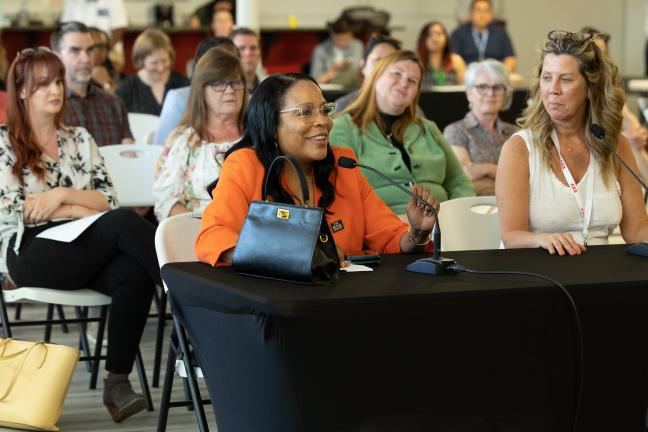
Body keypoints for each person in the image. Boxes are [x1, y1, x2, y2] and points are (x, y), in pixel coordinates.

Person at [0, 47, 160, 421]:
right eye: (43, 84)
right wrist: (81, 207)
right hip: (30, 249)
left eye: (57, 81)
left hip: (87, 243)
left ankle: (117, 382)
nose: (55, 90)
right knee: (122, 224)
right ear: (21, 91)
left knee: (133, 272)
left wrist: (62, 198)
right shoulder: (3, 142)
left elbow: (108, 198)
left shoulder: (79, 139)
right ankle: (190, 297)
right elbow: (12, 209)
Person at [195, 73, 440, 266]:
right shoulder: (245, 165)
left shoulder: (343, 166)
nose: (323, 121)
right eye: (305, 112)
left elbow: (388, 238)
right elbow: (214, 238)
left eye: (325, 110)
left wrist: (417, 234)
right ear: (271, 123)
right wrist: (292, 256)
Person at [496, 30, 648, 255]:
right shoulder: (518, 148)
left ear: (590, 89)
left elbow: (636, 231)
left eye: (565, 79)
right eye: (547, 78)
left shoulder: (614, 145)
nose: (552, 90)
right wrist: (542, 239)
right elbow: (511, 236)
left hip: (600, 274)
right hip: (539, 272)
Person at [330, 50, 475, 214]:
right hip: (381, 226)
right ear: (376, 77)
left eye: (413, 81)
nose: (404, 83)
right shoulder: (343, 127)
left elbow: (459, 182)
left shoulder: (428, 127)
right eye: (397, 74)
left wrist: (458, 215)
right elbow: (342, 192)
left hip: (442, 223)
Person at [153, 49, 246, 221]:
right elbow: (166, 200)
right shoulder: (183, 139)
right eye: (218, 84)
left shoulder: (259, 136)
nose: (230, 90)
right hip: (197, 231)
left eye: (235, 82)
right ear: (201, 90)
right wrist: (204, 226)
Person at [582, 26, 648, 184]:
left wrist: (635, 140)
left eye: (604, 56)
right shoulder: (573, 107)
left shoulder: (614, 99)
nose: (601, 63)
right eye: (595, 57)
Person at [51, 21, 133, 146]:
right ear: (57, 58)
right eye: (75, 51)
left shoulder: (114, 104)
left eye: (90, 50)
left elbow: (128, 155)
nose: (86, 59)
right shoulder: (48, 105)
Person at [444, 59, 517, 195]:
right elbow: (464, 181)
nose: (490, 93)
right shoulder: (455, 131)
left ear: (505, 94)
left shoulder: (515, 132)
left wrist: (486, 169)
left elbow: (529, 177)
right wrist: (513, 181)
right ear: (469, 93)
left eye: (497, 87)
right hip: (475, 209)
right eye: (482, 87)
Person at [154, 37, 238, 145]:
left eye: (234, 60)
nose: (230, 66)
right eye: (220, 62)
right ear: (203, 66)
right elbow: (161, 148)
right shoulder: (179, 99)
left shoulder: (247, 99)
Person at [115, 29, 189, 115]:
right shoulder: (127, 88)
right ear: (140, 61)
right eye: (154, 63)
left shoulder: (183, 84)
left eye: (164, 61)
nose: (161, 68)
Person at [335, 34, 401, 112]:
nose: (383, 67)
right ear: (363, 66)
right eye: (378, 60)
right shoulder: (344, 106)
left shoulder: (406, 108)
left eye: (390, 62)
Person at [450, 0, 516, 72]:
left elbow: (510, 58)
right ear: (471, 13)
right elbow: (453, 58)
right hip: (468, 76)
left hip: (495, 77)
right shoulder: (459, 33)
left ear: (491, 14)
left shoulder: (500, 33)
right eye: (478, 10)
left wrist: (504, 74)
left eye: (486, 10)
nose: (482, 14)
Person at [310, 17, 364, 89]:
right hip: (327, 91)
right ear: (332, 35)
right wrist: (333, 70)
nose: (343, 43)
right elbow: (314, 82)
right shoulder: (321, 50)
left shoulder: (357, 46)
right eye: (340, 39)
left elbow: (359, 73)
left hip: (352, 88)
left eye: (347, 39)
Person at [417, 21, 466, 86]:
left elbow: (464, 88)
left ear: (446, 38)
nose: (434, 38)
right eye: (429, 34)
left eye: (438, 34)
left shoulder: (456, 61)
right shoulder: (417, 62)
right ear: (423, 39)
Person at [88, 26, 123, 93]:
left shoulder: (114, 72)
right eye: (92, 47)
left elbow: (122, 101)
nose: (97, 51)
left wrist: (106, 83)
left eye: (101, 47)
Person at [230, 27, 263, 93]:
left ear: (259, 53)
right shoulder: (224, 92)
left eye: (253, 48)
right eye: (241, 48)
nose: (248, 53)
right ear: (230, 52)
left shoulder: (269, 88)